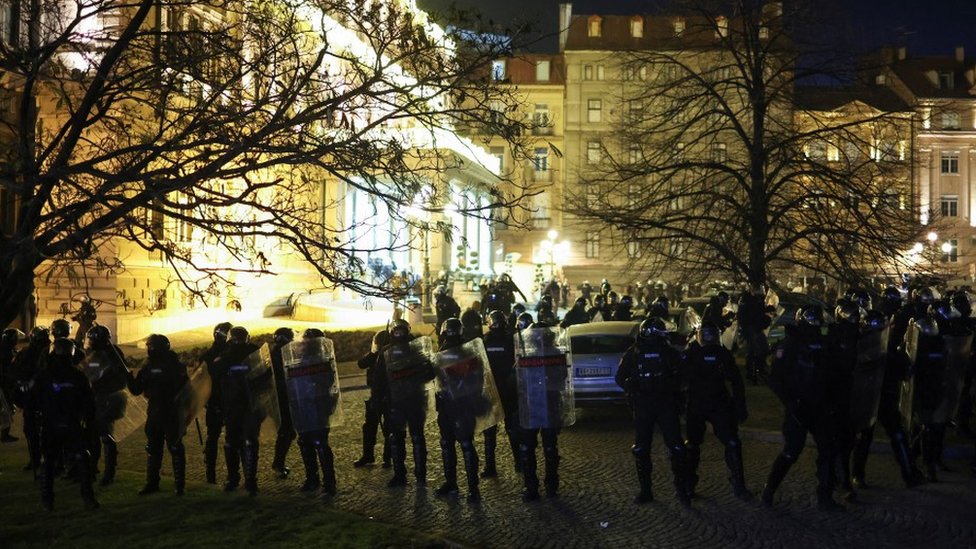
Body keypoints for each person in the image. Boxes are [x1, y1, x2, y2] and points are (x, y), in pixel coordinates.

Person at [762, 306, 842, 511]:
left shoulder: (825, 344)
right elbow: (775, 378)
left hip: (821, 406)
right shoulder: (790, 344)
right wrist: (791, 402)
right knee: (791, 451)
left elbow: (833, 375)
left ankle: (825, 496)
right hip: (799, 406)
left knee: (828, 450)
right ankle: (769, 489)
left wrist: (832, 401)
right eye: (812, 320)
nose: (816, 324)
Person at [616, 317, 690, 506]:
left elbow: (684, 375)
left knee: (676, 447)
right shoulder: (634, 353)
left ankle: (682, 489)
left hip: (665, 403)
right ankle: (646, 491)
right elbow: (620, 377)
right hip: (644, 404)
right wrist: (631, 385)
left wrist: (673, 385)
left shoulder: (669, 353)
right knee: (641, 449)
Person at [683, 322, 751, 501]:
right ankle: (688, 486)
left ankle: (738, 484)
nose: (709, 338)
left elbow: (736, 381)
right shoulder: (692, 354)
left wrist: (740, 406)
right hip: (699, 404)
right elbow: (678, 380)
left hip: (717, 403)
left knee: (732, 444)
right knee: (692, 446)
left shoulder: (720, 354)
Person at [32, 338, 99, 511]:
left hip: (51, 423)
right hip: (71, 423)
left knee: (48, 461)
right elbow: (89, 402)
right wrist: (87, 422)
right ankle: (88, 497)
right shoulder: (78, 375)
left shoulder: (44, 375)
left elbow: (32, 400)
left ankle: (47, 500)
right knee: (81, 458)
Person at [374, 319, 436, 488]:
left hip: (414, 399)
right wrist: (377, 398)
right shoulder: (386, 353)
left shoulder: (416, 350)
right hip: (396, 401)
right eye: (396, 332)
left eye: (401, 331)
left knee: (416, 437)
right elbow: (379, 378)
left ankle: (420, 474)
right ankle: (400, 474)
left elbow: (429, 373)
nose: (399, 335)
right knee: (396, 438)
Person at [128, 334, 189, 496]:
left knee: (175, 447)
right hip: (155, 412)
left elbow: (185, 389)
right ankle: (152, 482)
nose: (149, 350)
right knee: (153, 448)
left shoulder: (174, 366)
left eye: (151, 347)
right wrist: (129, 378)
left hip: (170, 412)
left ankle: (179, 485)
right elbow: (137, 389)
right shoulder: (151, 366)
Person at [515, 323, 570, 501]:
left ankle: (535, 487)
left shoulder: (530, 354)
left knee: (534, 447)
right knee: (546, 447)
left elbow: (514, 381)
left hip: (538, 404)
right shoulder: (552, 354)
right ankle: (549, 486)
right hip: (542, 404)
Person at [433, 319, 484, 502]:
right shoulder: (444, 351)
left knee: (463, 445)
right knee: (452, 444)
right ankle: (455, 484)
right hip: (448, 403)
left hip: (460, 404)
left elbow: (477, 378)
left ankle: (471, 488)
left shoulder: (467, 352)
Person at [212, 326, 263, 495]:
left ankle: (233, 479)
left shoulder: (225, 356)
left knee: (232, 443)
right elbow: (266, 376)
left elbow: (214, 379)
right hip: (249, 405)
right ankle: (249, 480)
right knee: (248, 442)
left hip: (234, 406)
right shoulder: (255, 353)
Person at [291, 328, 339, 497]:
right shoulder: (306, 360)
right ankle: (319, 480)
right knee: (309, 442)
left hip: (316, 406)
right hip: (306, 405)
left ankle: (323, 481)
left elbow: (327, 385)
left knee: (316, 443)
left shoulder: (321, 361)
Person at [82, 325, 129, 486]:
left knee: (105, 436)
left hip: (107, 399)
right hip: (97, 399)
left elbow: (91, 374)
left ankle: (109, 473)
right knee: (92, 435)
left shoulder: (108, 355)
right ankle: (93, 468)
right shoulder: (102, 353)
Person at [482, 311, 519, 476]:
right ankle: (519, 462)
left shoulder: (486, 340)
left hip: (496, 388)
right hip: (505, 389)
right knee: (508, 429)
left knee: (493, 430)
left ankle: (491, 467)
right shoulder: (510, 339)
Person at [11, 327, 50, 471]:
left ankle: (45, 460)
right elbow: (16, 371)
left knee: (42, 430)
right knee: (32, 430)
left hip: (45, 396)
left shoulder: (52, 352)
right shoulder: (26, 353)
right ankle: (36, 460)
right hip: (33, 397)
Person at [354, 329, 392, 468]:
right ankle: (368, 455)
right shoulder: (374, 356)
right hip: (375, 395)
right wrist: (374, 353)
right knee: (369, 426)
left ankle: (388, 457)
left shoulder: (391, 356)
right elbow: (361, 363)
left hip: (389, 396)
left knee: (389, 428)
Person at [201, 322, 232, 484]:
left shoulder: (209, 355)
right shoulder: (213, 355)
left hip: (222, 402)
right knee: (218, 439)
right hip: (219, 402)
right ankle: (213, 475)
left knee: (215, 438)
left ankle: (217, 476)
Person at [269, 327, 296, 479]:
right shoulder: (282, 353)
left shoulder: (275, 352)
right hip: (284, 398)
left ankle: (278, 462)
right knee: (287, 431)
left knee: (287, 431)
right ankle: (278, 463)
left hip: (281, 397)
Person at [737, 285, 770, 384]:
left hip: (756, 328)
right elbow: (750, 315)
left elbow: (759, 314)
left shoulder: (757, 301)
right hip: (751, 328)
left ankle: (758, 368)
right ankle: (752, 371)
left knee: (763, 349)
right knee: (753, 350)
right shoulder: (748, 301)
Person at [0, 328, 22, 443]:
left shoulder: (7, 349)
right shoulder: (6, 352)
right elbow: (7, 371)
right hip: (3, 385)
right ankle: (4, 435)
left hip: (5, 384)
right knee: (6, 409)